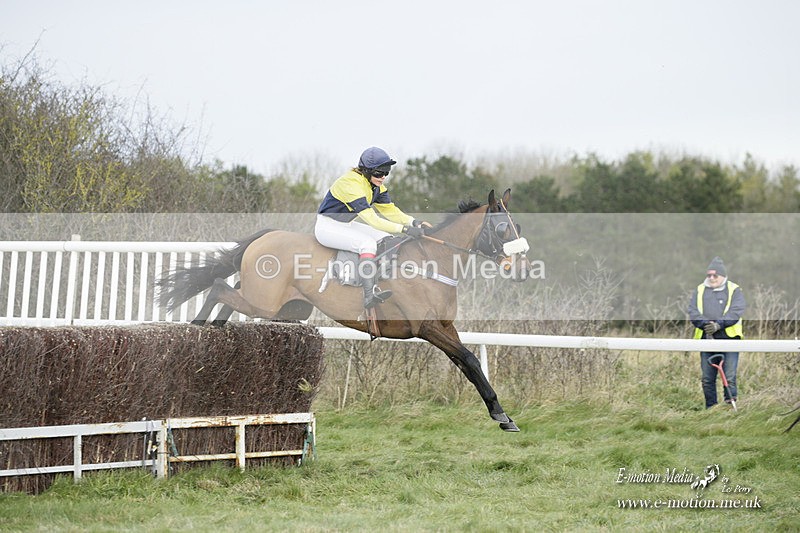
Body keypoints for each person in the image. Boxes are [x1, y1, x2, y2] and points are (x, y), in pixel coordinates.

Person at [315, 147, 430, 309]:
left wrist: (413, 222)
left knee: (385, 238)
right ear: (366, 171)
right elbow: (372, 220)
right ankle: (368, 295)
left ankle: (381, 279)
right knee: (367, 244)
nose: (383, 177)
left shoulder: (376, 186)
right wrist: (404, 230)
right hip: (326, 227)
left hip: (345, 225)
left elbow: (390, 211)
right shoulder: (351, 184)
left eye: (386, 172)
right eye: (379, 173)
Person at [687, 256, 746, 409]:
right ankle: (711, 410)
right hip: (707, 340)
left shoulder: (735, 290)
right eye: (709, 275)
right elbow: (693, 311)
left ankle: (729, 409)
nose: (712, 278)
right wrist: (705, 325)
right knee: (707, 379)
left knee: (730, 377)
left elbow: (736, 312)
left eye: (715, 275)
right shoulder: (700, 290)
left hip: (730, 341)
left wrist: (718, 325)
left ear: (723, 276)